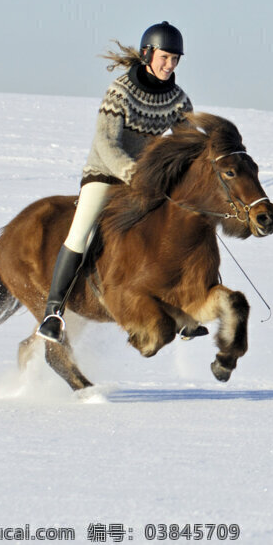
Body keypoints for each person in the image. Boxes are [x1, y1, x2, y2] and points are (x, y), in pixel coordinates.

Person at [36, 21, 195, 342]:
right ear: (148, 54)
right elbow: (107, 144)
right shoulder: (120, 90)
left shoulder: (178, 99)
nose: (170, 65)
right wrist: (133, 175)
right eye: (165, 57)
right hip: (106, 174)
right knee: (82, 232)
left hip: (147, 180)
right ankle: (53, 312)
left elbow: (186, 143)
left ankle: (185, 307)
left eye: (176, 59)